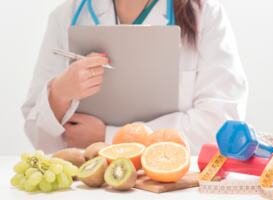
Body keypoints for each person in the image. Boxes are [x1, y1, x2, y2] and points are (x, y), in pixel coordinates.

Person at [22, 0, 248, 154]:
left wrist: (109, 137)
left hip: (170, 184)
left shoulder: (205, 13)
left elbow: (220, 127)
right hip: (90, 185)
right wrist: (60, 93)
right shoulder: (67, 15)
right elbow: (39, 140)